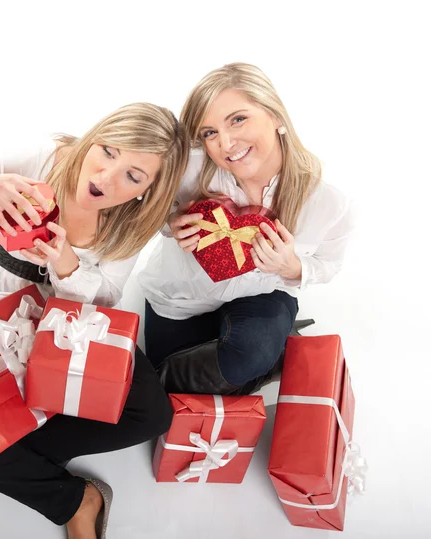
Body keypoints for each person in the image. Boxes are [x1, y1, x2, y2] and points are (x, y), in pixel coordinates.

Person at [0, 102, 189, 538]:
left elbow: (104, 300)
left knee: (151, 413)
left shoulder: (132, 220)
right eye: (107, 151)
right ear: (94, 136)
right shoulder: (32, 160)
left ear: (147, 190)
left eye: (133, 176)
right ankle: (77, 501)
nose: (106, 177)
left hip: (72, 328)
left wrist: (66, 265)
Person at [139, 63, 355, 395]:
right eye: (209, 132)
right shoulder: (187, 169)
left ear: (277, 117)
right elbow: (136, 202)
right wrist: (168, 220)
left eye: (238, 119)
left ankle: (150, 392)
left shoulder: (327, 202)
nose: (225, 143)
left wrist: (291, 267)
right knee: (185, 388)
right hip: (182, 298)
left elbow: (328, 264)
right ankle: (270, 360)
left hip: (261, 295)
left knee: (240, 360)